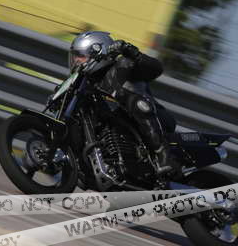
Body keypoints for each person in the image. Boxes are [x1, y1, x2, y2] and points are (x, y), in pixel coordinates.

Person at [68, 31, 178, 176]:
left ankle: (163, 154)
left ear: (97, 52)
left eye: (80, 56)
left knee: (137, 102)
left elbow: (156, 69)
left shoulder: (122, 66)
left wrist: (131, 52)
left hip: (154, 120)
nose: (76, 61)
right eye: (74, 56)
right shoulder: (88, 84)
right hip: (121, 133)